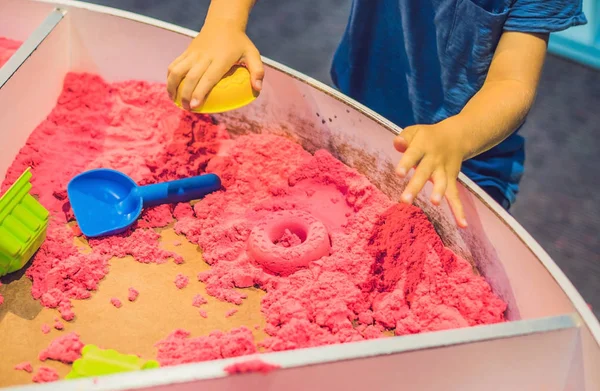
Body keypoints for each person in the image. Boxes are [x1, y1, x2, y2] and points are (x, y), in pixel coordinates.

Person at [166, 0, 586, 227]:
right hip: (359, 116)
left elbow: (512, 84)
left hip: (464, 159)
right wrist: (224, 22)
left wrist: (456, 135)